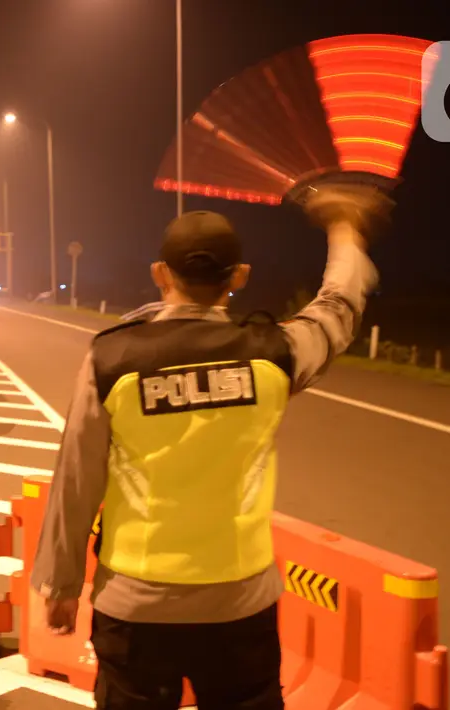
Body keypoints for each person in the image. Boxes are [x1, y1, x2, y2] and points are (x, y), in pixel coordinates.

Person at [30, 185, 394, 709]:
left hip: (135, 608)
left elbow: (77, 479)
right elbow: (337, 308)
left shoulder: (111, 359)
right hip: (240, 606)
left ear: (161, 274)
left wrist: (61, 584)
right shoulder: (275, 351)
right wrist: (345, 230)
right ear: (238, 276)